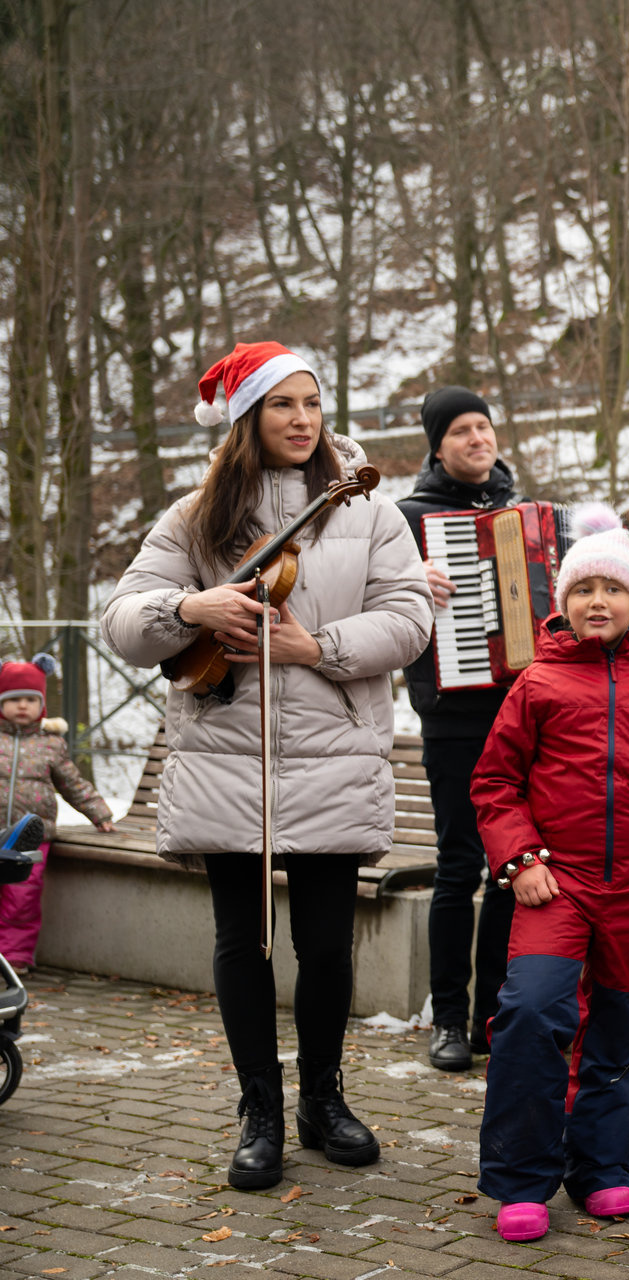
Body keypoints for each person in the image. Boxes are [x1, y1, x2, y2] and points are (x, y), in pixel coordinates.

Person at [100, 340, 432, 1190]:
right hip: (226, 756)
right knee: (243, 943)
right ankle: (261, 1112)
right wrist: (190, 606)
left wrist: (315, 646)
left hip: (332, 754)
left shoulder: (368, 511)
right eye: (283, 404)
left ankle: (324, 1099)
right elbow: (123, 621)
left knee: (324, 946)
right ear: (247, 417)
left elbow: (409, 620)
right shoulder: (195, 517)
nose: (302, 418)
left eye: (312, 403)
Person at [471, 518, 629, 1244]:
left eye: (613, 588)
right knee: (530, 1013)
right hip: (558, 882)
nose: (598, 601)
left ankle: (601, 1167)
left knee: (616, 1030)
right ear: (565, 603)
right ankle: (522, 1180)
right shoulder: (538, 683)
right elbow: (495, 784)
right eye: (584, 589)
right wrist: (521, 860)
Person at [395, 386, 521, 1071]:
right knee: (458, 867)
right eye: (461, 431)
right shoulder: (408, 519)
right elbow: (368, 594)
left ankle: (492, 1018)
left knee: (512, 867)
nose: (478, 439)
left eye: (484, 427)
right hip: (451, 716)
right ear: (437, 448)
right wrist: (408, 580)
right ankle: (446, 1016)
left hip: (520, 715)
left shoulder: (519, 514)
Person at [0, 654, 116, 970]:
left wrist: (99, 812)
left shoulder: (51, 745)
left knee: (22, 898)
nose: (22, 706)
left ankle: (14, 958)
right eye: (13, 699)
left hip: (29, 839)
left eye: (30, 699)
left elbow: (73, 783)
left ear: (41, 705)